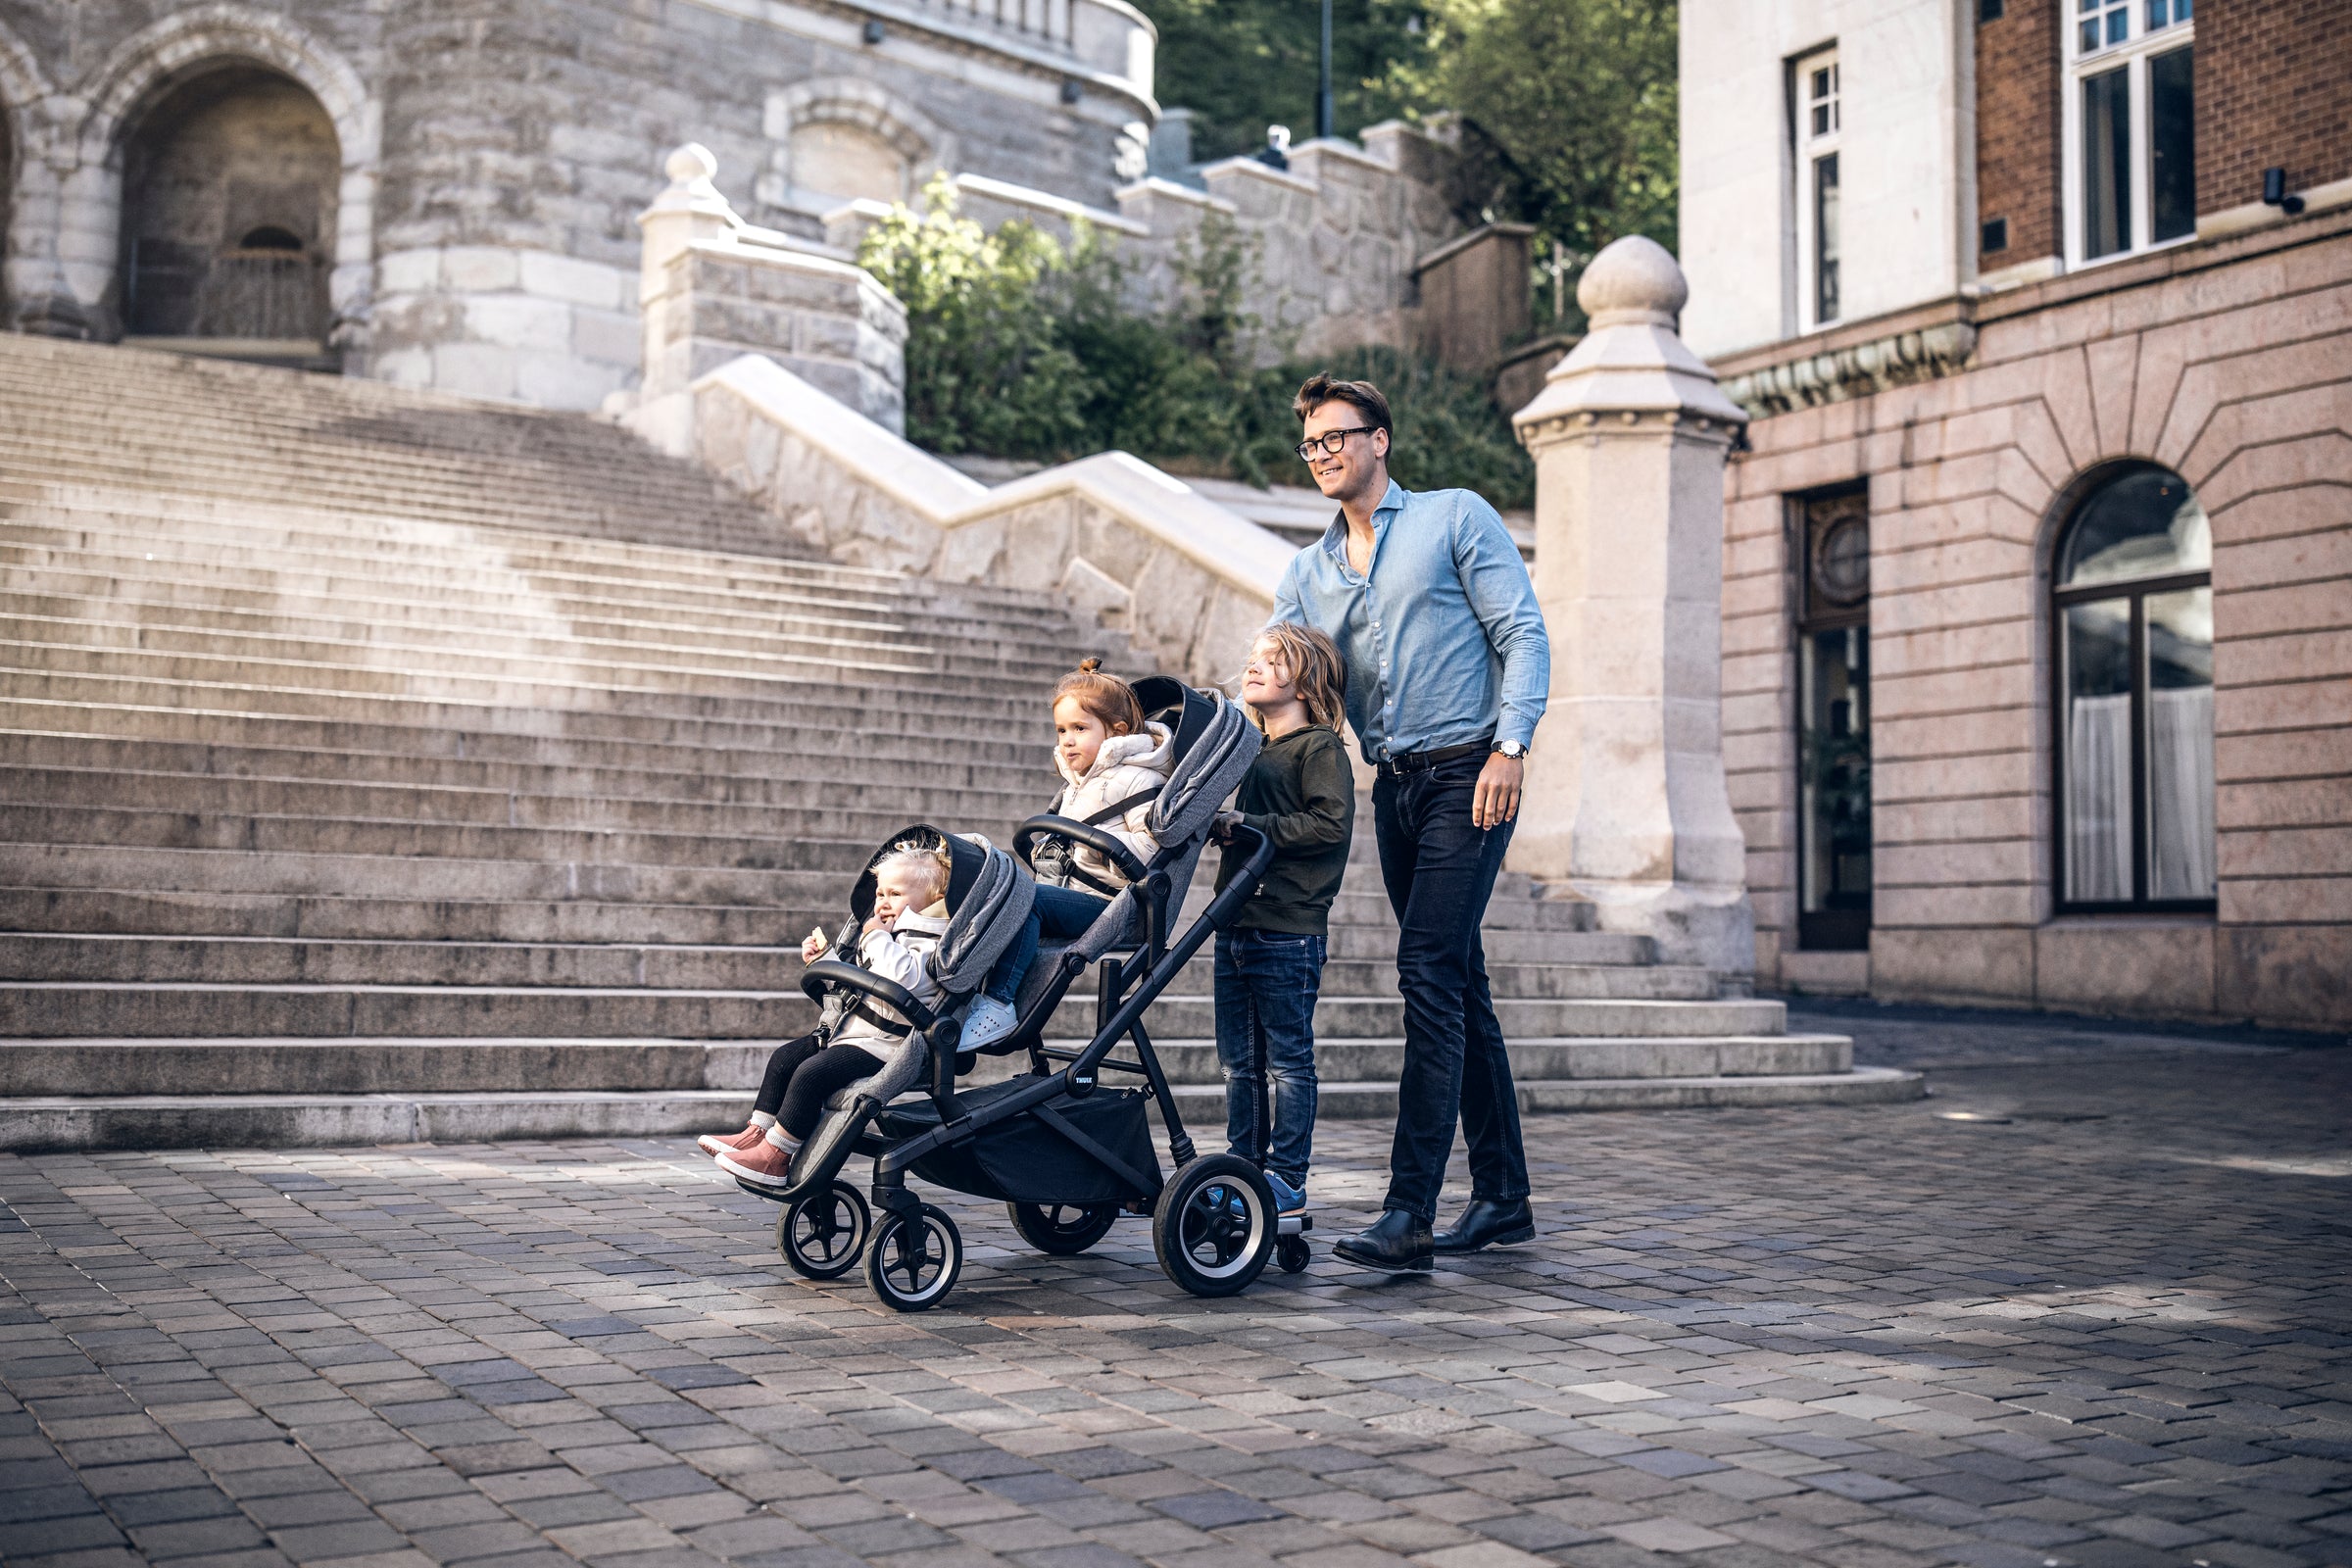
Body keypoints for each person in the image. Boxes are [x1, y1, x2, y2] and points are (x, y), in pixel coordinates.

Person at [1270, 372, 1550, 1273]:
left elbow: (1523, 633)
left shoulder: (1453, 518)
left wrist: (1511, 748)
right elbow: (1278, 677)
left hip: (1471, 772)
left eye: (1338, 438)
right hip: (1394, 786)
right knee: (1459, 981)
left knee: (1427, 970)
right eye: (1311, 444)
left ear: (1380, 438)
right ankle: (1503, 1197)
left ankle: (1409, 1211)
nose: (1324, 455)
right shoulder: (1307, 574)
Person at [705, 840, 952, 1192]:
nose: (882, 902)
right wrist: (825, 960)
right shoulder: (888, 933)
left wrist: (879, 940)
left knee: (811, 1075)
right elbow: (860, 980)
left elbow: (905, 978)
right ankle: (756, 1135)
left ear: (934, 898)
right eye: (880, 893)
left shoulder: (932, 941)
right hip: (852, 1030)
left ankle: (776, 1156)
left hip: (886, 1043)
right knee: (784, 1058)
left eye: (895, 894)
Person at [1209, 623, 1352, 1218]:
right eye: (1253, 657)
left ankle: (1286, 1178)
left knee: (1288, 1062)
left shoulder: (1317, 747)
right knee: (1239, 1064)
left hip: (1288, 929)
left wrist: (1248, 826)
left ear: (1308, 678)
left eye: (1274, 659)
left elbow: (1330, 825)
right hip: (1235, 923)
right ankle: (1243, 1170)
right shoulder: (1250, 748)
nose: (1255, 665)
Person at [960, 660, 1174, 1047]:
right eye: (1061, 730)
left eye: (1079, 729)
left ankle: (999, 1002)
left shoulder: (1140, 778)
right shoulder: (1078, 784)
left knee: (1026, 899)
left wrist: (1093, 845)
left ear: (1116, 732)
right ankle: (962, 993)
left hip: (1111, 904)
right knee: (999, 888)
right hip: (1071, 892)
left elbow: (1147, 853)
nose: (1067, 740)